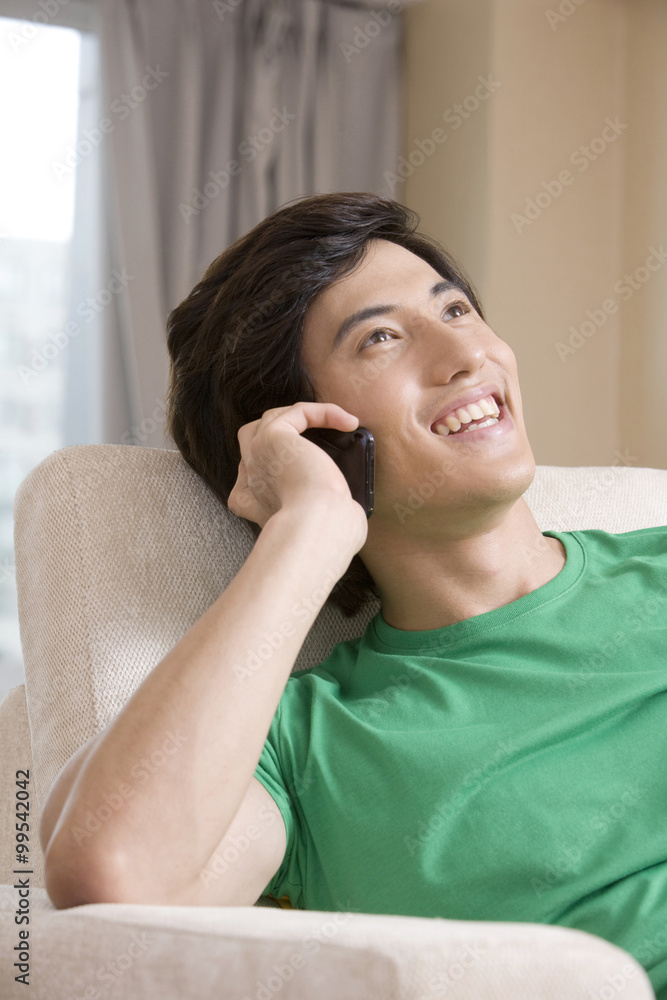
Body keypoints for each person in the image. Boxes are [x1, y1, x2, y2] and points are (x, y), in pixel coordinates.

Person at [40, 193, 667, 998]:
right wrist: (304, 533)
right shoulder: (305, 747)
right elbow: (113, 877)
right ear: (315, 439)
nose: (462, 354)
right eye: (381, 337)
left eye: (457, 310)